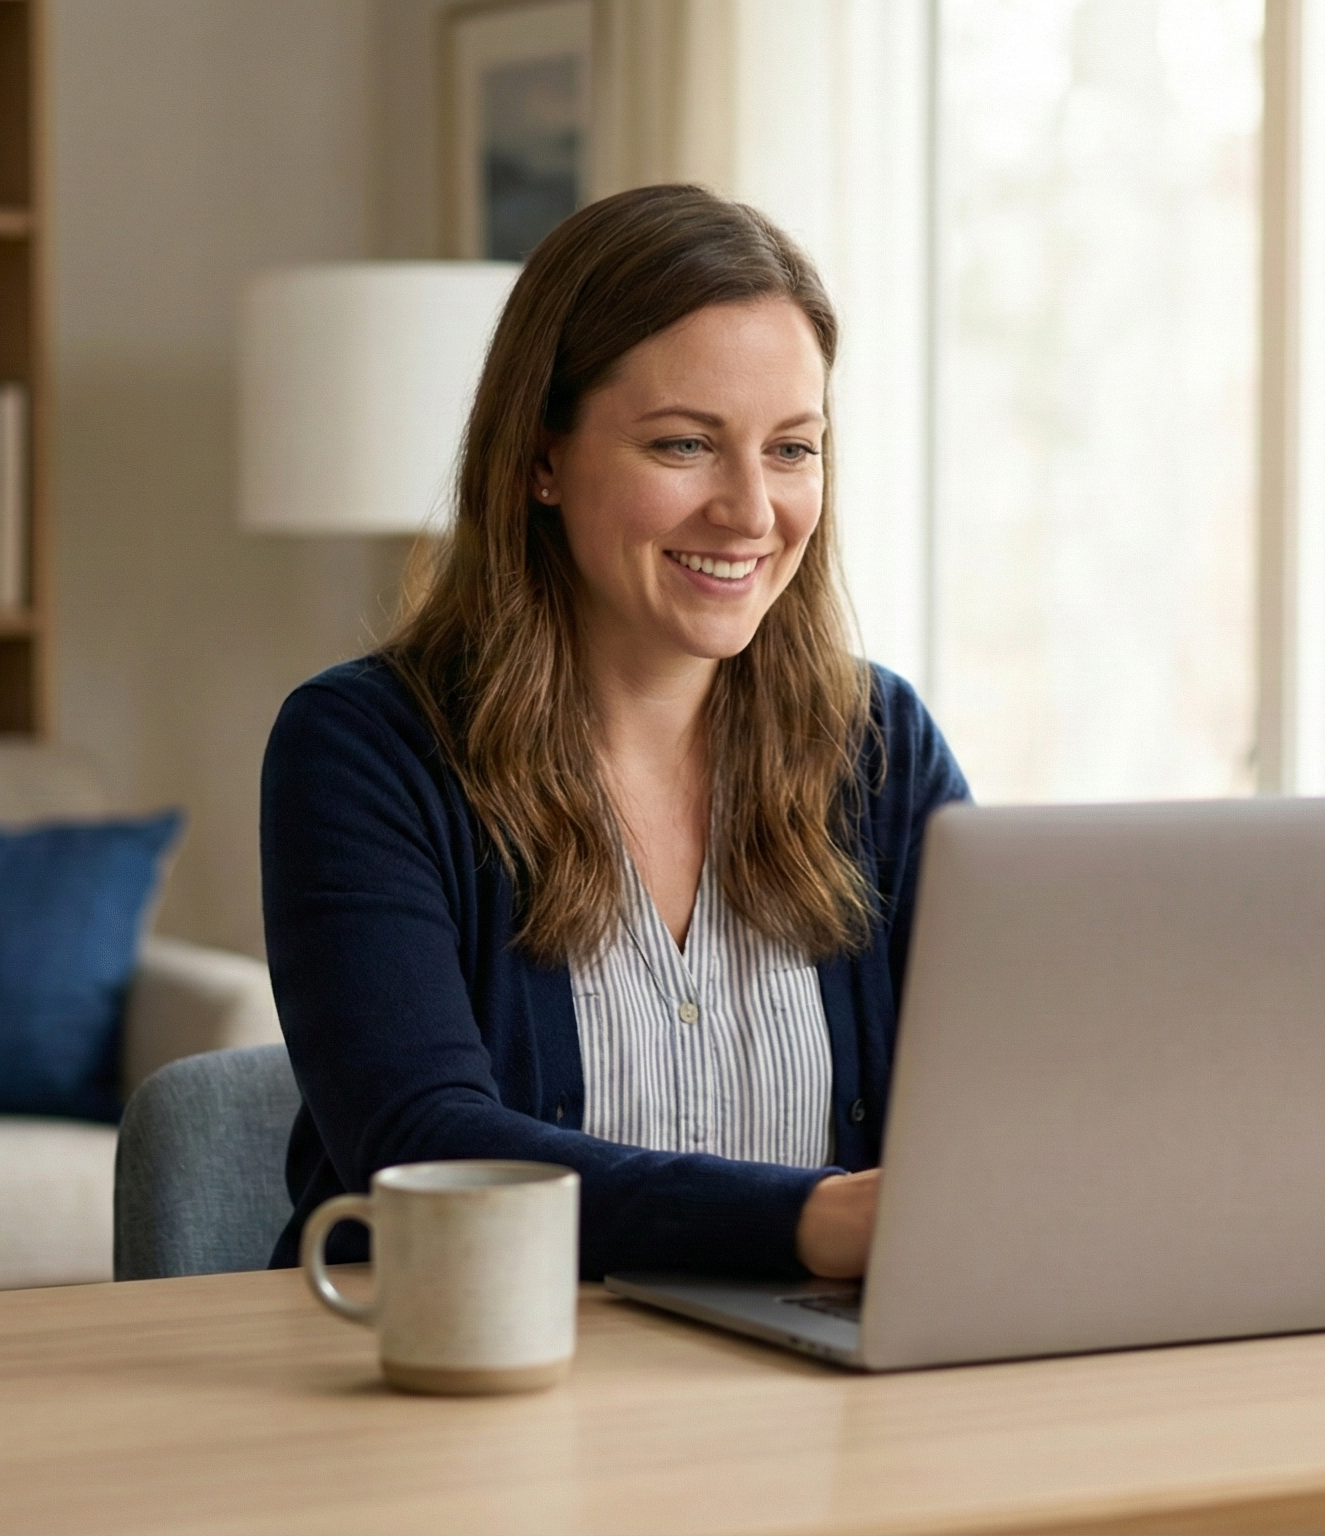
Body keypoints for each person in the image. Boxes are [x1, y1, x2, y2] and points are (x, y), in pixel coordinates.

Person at [262, 184, 970, 1282]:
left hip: (809, 1398)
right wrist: (807, 1220)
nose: (749, 510)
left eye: (791, 450)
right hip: (454, 1391)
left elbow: (1004, 1096)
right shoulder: (364, 749)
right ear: (541, 458)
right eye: (684, 445)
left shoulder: (877, 745)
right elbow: (423, 1147)